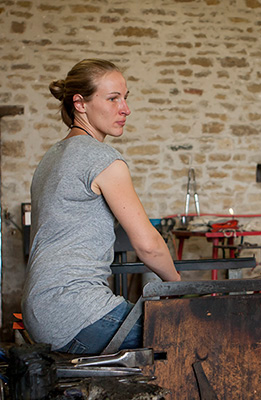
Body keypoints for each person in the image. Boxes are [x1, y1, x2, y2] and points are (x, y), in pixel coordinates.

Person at [22, 59, 181, 354]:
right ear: (80, 104)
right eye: (112, 99)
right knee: (190, 332)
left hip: (41, 309)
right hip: (76, 312)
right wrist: (179, 285)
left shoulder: (51, 158)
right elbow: (148, 245)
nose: (125, 109)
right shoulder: (101, 158)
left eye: (125, 97)